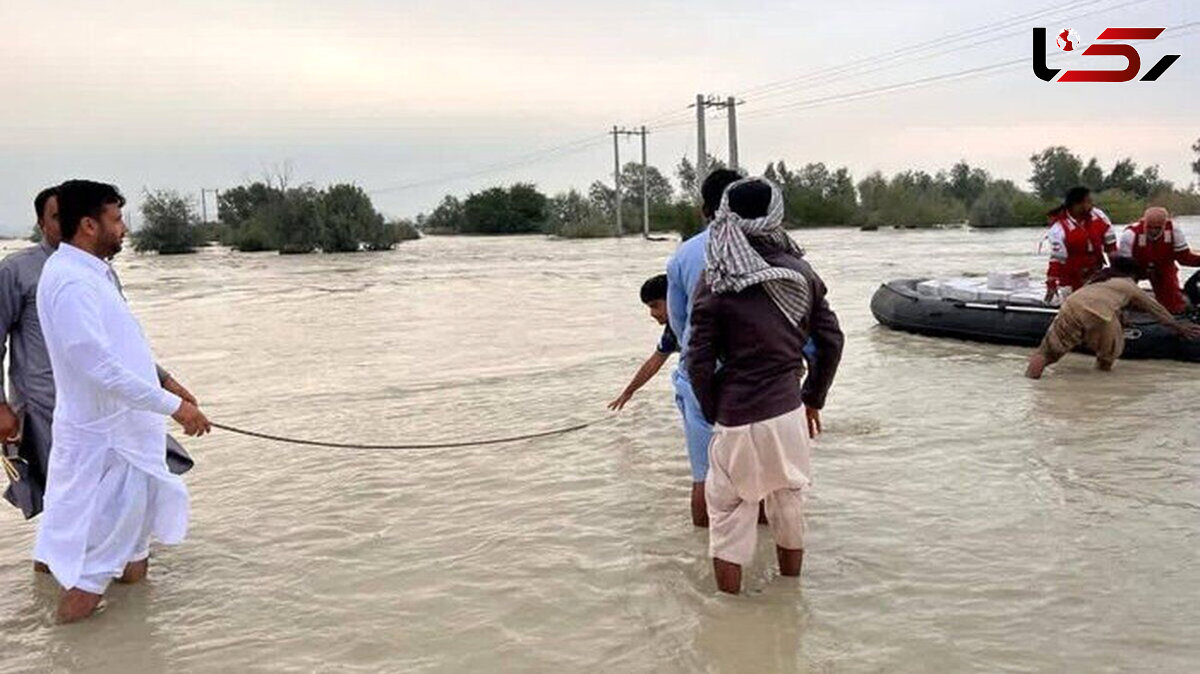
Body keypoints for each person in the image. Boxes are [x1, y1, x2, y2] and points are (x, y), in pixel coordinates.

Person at [35, 180, 212, 623]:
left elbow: (123, 348)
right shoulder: (71, 283)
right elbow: (100, 367)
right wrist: (178, 410)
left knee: (134, 557)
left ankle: (132, 647)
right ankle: (65, 649)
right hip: (107, 448)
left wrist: (169, 385)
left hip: (132, 443)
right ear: (89, 225)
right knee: (91, 573)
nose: (124, 229)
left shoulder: (96, 274)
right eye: (116, 220)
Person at [1, 188, 197, 523]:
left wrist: (163, 379)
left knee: (124, 501)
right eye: (56, 217)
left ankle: (120, 569)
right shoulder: (18, 271)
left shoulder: (99, 272)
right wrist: (1, 406)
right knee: (71, 509)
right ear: (40, 222)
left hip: (112, 404)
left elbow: (116, 344)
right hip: (48, 408)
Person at [687, 177, 844, 594]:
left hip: (737, 415)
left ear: (724, 213)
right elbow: (831, 341)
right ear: (777, 214)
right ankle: (790, 595)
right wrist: (813, 398)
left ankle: (729, 616)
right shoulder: (803, 273)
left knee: (728, 516)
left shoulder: (717, 277)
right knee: (789, 501)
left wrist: (712, 408)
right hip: (788, 410)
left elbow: (697, 357)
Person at [665, 169, 743, 527]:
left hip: (701, 373)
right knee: (763, 481)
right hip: (759, 376)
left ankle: (702, 558)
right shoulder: (770, 248)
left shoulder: (684, 255)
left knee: (704, 475)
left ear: (703, 209)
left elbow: (680, 324)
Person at [1026, 257, 1200, 379]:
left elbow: (1107, 301)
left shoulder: (1098, 279)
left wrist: (1122, 319)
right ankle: (1102, 383)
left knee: (1045, 353)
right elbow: (1157, 310)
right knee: (1107, 357)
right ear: (1132, 274)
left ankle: (1030, 383)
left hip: (1070, 307)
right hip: (1100, 315)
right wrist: (1180, 327)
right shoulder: (1129, 285)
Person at [609, 274, 679, 411]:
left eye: (655, 306)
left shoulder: (698, 322)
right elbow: (653, 363)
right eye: (649, 307)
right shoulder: (673, 331)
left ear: (673, 299)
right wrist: (628, 391)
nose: (652, 313)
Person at [1115, 206, 1200, 314]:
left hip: (1163, 268)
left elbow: (1184, 258)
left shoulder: (1174, 231)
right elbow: (1123, 266)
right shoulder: (1130, 235)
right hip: (1135, 268)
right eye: (1150, 227)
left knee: (1173, 305)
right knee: (1123, 295)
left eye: (1158, 228)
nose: (1153, 231)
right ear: (1144, 222)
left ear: (1165, 224)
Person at [1044, 186, 1116, 303]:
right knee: (1075, 307)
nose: (1092, 204)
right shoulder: (1058, 229)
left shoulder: (1099, 216)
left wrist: (1117, 270)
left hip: (1095, 273)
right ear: (1076, 204)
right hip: (1071, 278)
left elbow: (1111, 246)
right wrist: (1051, 283)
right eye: (1088, 201)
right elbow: (1057, 260)